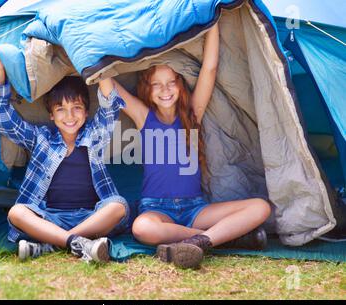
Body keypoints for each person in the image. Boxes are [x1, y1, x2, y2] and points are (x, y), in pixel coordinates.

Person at [99, 24, 271, 268]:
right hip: (157, 209)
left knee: (260, 207)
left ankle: (202, 240)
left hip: (195, 209)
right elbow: (108, 86)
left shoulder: (192, 115)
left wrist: (213, 22)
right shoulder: (143, 117)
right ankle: (219, 239)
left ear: (180, 85)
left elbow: (209, 69)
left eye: (171, 82)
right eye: (156, 84)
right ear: (147, 89)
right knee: (142, 228)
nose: (165, 90)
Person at [0, 58, 130, 262]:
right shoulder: (41, 138)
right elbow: (4, 119)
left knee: (119, 206)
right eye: (61, 109)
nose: (70, 116)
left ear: (86, 111)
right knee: (17, 212)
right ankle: (77, 242)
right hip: (49, 218)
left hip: (90, 216)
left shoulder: (94, 135)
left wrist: (101, 65)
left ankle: (53, 245)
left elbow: (110, 107)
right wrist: (0, 73)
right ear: (51, 115)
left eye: (76, 107)